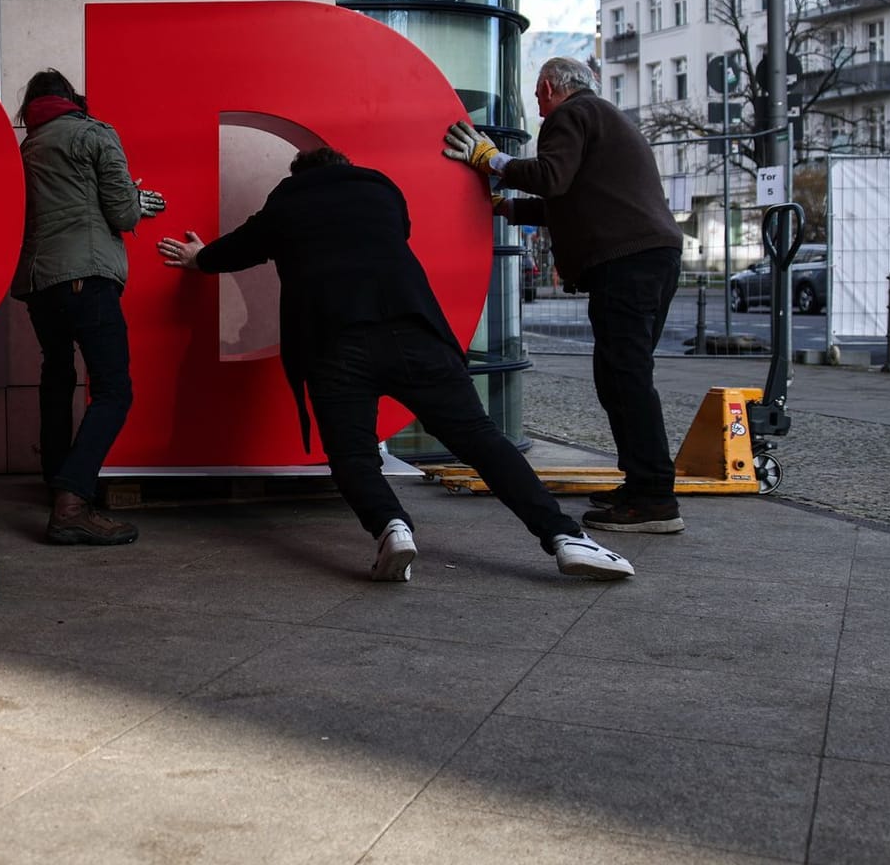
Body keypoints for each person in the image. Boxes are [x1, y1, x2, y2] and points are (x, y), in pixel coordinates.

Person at [156, 146, 633, 582]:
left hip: (334, 341)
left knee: (352, 456)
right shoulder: (382, 191)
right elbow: (397, 235)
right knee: (482, 441)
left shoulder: (287, 201)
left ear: (298, 175)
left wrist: (200, 258)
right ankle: (565, 537)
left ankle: (392, 527)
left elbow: (240, 248)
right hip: (412, 331)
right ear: (344, 166)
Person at [442, 57, 686, 534]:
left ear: (551, 88)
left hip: (626, 263)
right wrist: (507, 208)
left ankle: (654, 497)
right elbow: (574, 200)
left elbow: (552, 178)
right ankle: (643, 485)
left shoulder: (571, 116)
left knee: (624, 377)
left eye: (537, 95)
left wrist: (491, 160)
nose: (537, 105)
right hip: (653, 257)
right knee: (624, 376)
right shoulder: (605, 119)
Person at [13, 69, 166, 546]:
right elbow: (120, 212)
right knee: (114, 389)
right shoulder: (94, 134)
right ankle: (72, 503)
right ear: (71, 99)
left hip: (39, 284)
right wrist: (139, 202)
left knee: (58, 375)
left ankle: (57, 479)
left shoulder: (25, 148)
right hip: (87, 277)